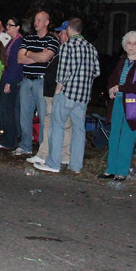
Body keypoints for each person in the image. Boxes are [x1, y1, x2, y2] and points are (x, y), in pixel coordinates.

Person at [34, 18, 100, 173]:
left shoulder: (67, 46)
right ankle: (76, 165)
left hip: (67, 93)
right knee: (79, 130)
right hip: (83, 96)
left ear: (70, 29)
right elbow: (96, 72)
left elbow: (62, 74)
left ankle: (53, 163)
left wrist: (57, 92)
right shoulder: (91, 48)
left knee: (57, 127)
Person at [101, 31, 136, 181]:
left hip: (132, 105)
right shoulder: (121, 63)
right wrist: (111, 89)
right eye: (129, 43)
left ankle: (121, 171)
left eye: (135, 43)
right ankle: (111, 168)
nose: (131, 46)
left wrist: (121, 88)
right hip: (118, 102)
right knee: (114, 135)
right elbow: (112, 79)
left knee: (127, 137)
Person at [26, 22, 72, 167]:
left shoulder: (68, 50)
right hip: (52, 92)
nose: (59, 35)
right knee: (62, 124)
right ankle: (64, 155)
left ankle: (45, 154)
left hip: (56, 93)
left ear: (69, 32)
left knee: (51, 123)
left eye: (61, 32)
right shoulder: (62, 49)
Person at [14, 11, 60, 156]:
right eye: (35, 20)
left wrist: (29, 53)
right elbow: (20, 59)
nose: (36, 22)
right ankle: (26, 145)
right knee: (25, 115)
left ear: (47, 22)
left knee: (43, 115)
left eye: (39, 20)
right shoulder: (28, 38)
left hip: (42, 81)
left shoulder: (52, 40)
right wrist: (37, 56)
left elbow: (46, 57)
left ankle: (43, 148)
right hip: (27, 80)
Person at [0, 17, 23, 150]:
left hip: (11, 80)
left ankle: (10, 140)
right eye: (7, 25)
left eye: (10, 25)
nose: (7, 27)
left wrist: (8, 82)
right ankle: (8, 138)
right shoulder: (12, 41)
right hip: (6, 78)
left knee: (8, 111)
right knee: (5, 110)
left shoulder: (18, 42)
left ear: (17, 27)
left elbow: (15, 64)